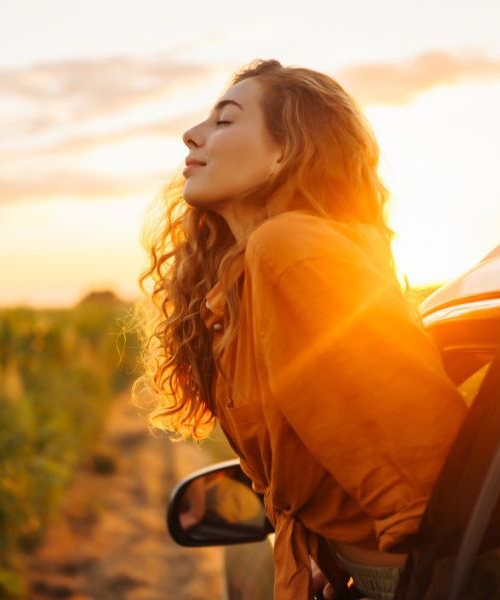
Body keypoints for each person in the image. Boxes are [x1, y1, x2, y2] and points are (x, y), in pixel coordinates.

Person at [132, 58, 468, 599]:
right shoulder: (248, 277)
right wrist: (327, 556)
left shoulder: (287, 248)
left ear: (286, 151)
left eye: (224, 120)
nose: (191, 134)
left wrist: (388, 576)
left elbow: (422, 474)